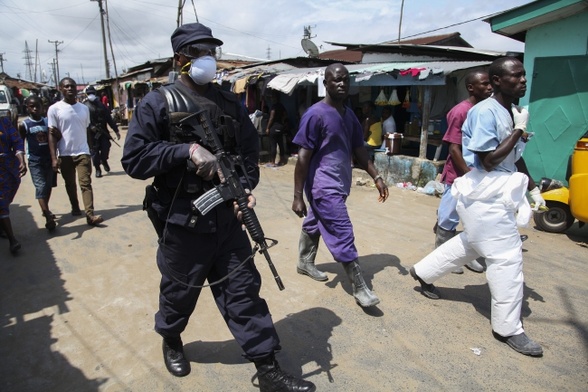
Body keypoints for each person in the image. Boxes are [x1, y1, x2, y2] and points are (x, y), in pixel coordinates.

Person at [121, 22, 315, 392]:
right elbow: (134, 160)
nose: (209, 59)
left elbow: (247, 157)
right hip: (182, 220)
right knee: (179, 291)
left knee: (243, 291)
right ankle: (172, 337)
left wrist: (243, 190)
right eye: (199, 52)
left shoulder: (229, 102)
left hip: (227, 219)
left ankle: (267, 367)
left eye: (212, 52)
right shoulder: (158, 102)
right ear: (180, 59)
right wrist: (185, 151)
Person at [409, 57, 546, 357]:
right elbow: (488, 160)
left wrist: (533, 188)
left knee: (471, 242)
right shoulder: (485, 112)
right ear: (497, 80)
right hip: (485, 194)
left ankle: (423, 272)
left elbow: (513, 157)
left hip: (492, 194)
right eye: (516, 76)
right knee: (507, 258)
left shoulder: (509, 111)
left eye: (524, 75)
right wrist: (518, 131)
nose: (523, 80)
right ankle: (508, 328)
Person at [292, 63, 389, 308]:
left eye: (346, 80)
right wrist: (297, 196)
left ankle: (304, 262)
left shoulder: (349, 115)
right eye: (336, 80)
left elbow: (359, 149)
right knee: (342, 231)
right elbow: (303, 157)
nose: (342, 84)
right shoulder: (315, 114)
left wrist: (376, 176)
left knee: (317, 220)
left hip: (340, 182)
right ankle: (360, 287)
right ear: (325, 83)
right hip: (322, 186)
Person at [434, 71, 493, 274]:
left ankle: (466, 256)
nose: (489, 87)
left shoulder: (485, 111)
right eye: (484, 84)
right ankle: (443, 256)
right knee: (448, 216)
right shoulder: (461, 111)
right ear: (471, 87)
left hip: (478, 172)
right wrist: (468, 175)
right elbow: (454, 148)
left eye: (490, 84)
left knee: (473, 217)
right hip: (459, 174)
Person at [47, 77, 104, 226]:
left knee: (85, 183)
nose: (70, 89)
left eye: (72, 86)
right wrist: (54, 158)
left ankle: (90, 215)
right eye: (66, 86)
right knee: (70, 184)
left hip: (82, 152)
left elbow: (86, 130)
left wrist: (91, 149)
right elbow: (51, 134)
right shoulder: (54, 109)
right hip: (64, 154)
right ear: (60, 89)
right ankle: (75, 207)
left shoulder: (83, 108)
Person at [18, 95, 57, 231]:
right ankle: (48, 216)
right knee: (40, 187)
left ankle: (45, 208)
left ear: (42, 107)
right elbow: (20, 144)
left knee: (48, 186)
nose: (35, 109)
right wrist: (22, 160)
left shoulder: (47, 122)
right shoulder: (24, 125)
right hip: (35, 161)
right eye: (31, 106)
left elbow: (55, 138)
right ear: (27, 108)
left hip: (48, 159)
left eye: (37, 106)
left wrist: (55, 158)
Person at [0, 116, 27, 253]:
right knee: (2, 203)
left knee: (7, 197)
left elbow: (17, 142)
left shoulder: (4, 122)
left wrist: (21, 159)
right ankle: (12, 240)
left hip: (9, 167)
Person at [84, 85, 121, 178]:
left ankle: (104, 160)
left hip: (103, 132)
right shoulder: (84, 106)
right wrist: (90, 126)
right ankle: (97, 169)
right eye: (89, 93)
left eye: (92, 93)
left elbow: (109, 119)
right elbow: (82, 121)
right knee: (94, 152)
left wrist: (116, 130)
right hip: (92, 134)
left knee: (106, 147)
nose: (91, 95)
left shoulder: (101, 105)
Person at [265, 90, 289, 167]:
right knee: (281, 144)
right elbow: (285, 114)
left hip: (274, 127)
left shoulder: (274, 107)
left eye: (272, 97)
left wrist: (268, 128)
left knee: (273, 145)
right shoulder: (281, 106)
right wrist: (282, 121)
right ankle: (282, 160)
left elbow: (271, 117)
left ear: (274, 98)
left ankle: (273, 162)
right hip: (280, 127)